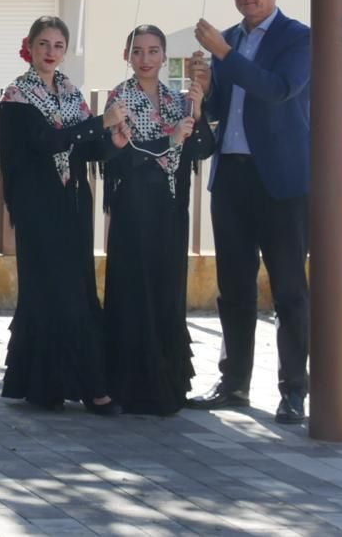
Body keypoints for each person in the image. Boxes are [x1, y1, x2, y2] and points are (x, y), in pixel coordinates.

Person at [188, 0, 312, 425]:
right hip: (233, 176)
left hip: (280, 181)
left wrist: (223, 55)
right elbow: (225, 103)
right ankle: (234, 383)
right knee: (233, 287)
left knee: (289, 291)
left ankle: (293, 391)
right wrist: (205, 84)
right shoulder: (232, 38)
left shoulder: (298, 38)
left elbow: (278, 88)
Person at [0, 16, 127, 415]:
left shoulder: (71, 94)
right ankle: (90, 387)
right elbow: (45, 143)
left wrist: (112, 143)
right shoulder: (17, 96)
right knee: (52, 291)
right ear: (30, 47)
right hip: (38, 206)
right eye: (43, 44)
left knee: (76, 288)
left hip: (72, 204)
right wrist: (96, 125)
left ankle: (47, 385)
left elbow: (82, 150)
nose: (50, 52)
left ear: (65, 50)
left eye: (57, 45)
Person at [101, 26, 214, 416]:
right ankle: (131, 385)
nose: (146, 59)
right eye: (138, 51)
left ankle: (166, 383)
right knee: (136, 288)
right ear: (127, 56)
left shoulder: (175, 99)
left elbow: (202, 149)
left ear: (165, 56)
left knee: (167, 289)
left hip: (170, 210)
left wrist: (197, 113)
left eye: (153, 51)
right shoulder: (120, 97)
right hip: (135, 209)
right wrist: (171, 143)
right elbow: (123, 155)